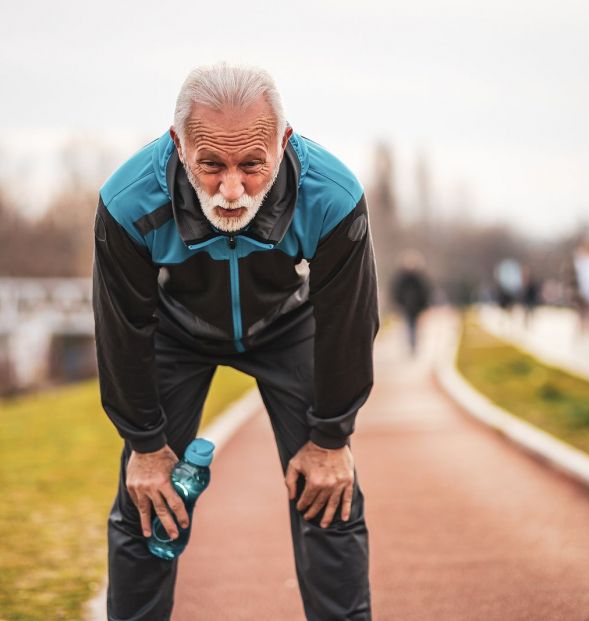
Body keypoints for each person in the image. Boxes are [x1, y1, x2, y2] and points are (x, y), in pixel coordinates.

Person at [92, 63, 379, 621]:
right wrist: (146, 447)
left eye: (252, 165)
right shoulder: (128, 202)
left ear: (284, 141)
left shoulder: (333, 195)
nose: (230, 190)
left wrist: (331, 437)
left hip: (286, 326)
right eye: (210, 166)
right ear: (178, 145)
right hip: (178, 329)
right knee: (146, 499)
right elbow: (121, 329)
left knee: (330, 494)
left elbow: (348, 324)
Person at [390, 250, 430, 353]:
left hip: (416, 307)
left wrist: (424, 305)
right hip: (406, 306)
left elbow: (425, 292)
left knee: (414, 326)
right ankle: (410, 344)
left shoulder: (418, 278)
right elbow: (396, 291)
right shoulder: (402, 277)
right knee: (408, 325)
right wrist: (399, 303)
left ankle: (413, 343)